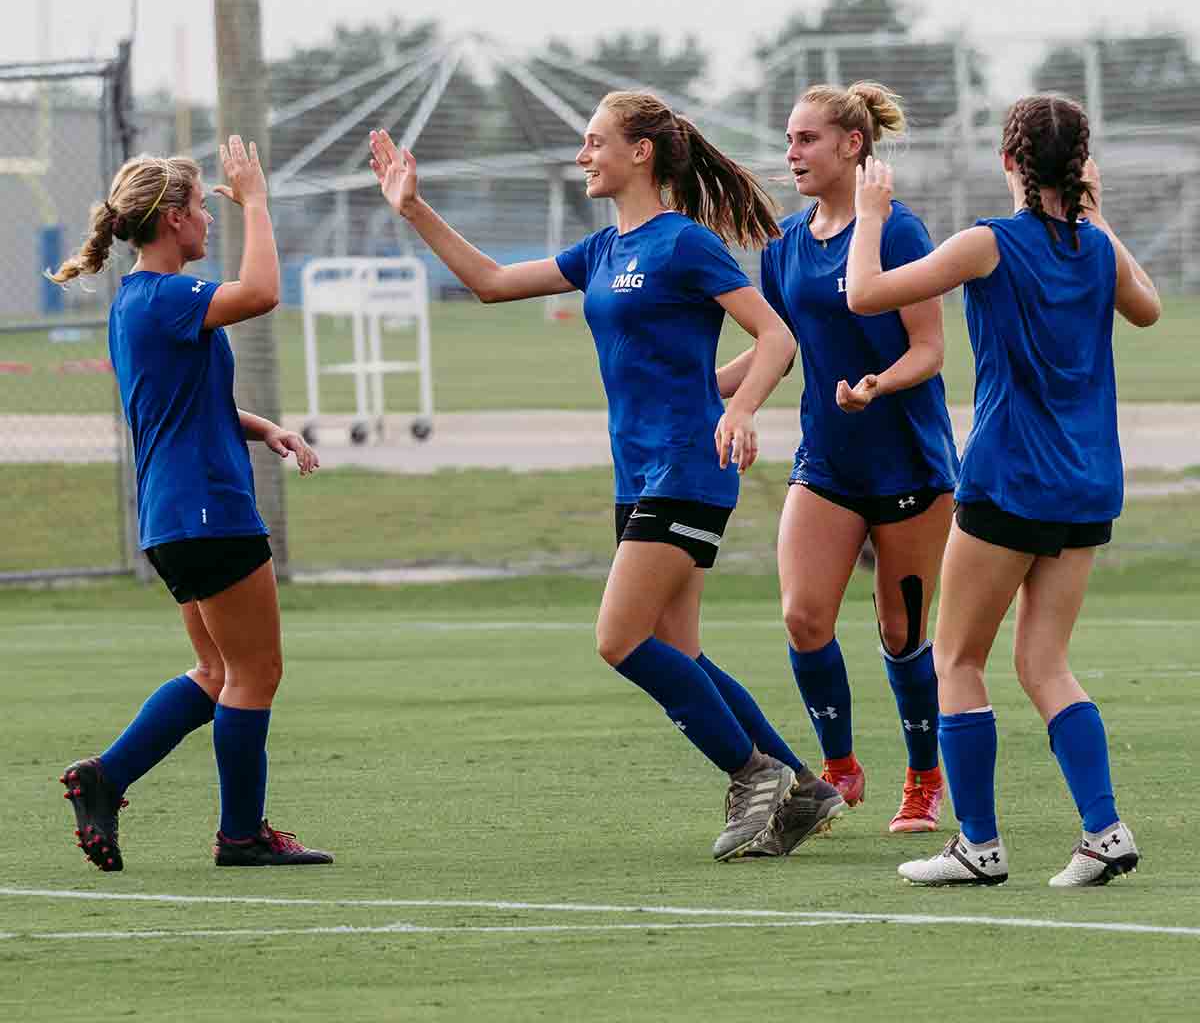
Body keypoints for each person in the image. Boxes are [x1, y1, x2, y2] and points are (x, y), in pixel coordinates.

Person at [368, 92, 844, 861]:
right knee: (676, 651)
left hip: (689, 467)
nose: (583, 156)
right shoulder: (601, 251)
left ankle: (752, 775)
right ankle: (802, 783)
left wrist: (741, 407)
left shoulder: (684, 244)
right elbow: (488, 282)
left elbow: (777, 337)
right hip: (641, 474)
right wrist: (414, 208)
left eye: (595, 143)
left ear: (641, 153)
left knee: (619, 639)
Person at [845, 94, 1161, 887]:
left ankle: (978, 845)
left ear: (1009, 163)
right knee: (1046, 662)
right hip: (1086, 484)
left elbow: (864, 294)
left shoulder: (987, 244)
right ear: (1081, 167)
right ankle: (1104, 830)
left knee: (957, 656)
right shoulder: (1097, 249)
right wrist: (1095, 211)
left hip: (1008, 478)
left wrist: (870, 212)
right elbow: (1148, 308)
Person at [50, 138, 332, 870]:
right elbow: (264, 293)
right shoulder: (171, 294)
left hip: (172, 516)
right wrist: (260, 202)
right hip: (209, 508)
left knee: (214, 672)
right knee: (254, 674)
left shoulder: (135, 304)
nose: (210, 221)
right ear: (173, 220)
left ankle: (105, 778)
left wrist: (263, 426)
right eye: (204, 209)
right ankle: (241, 835)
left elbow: (180, 402)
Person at [722, 83, 958, 855]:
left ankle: (924, 778)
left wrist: (877, 386)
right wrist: (701, 392)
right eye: (789, 140)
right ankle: (840, 768)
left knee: (901, 634)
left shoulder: (897, 229)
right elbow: (775, 346)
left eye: (806, 140)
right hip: (826, 463)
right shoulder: (784, 245)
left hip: (911, 465)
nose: (791, 153)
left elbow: (929, 350)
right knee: (802, 617)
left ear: (852, 146)